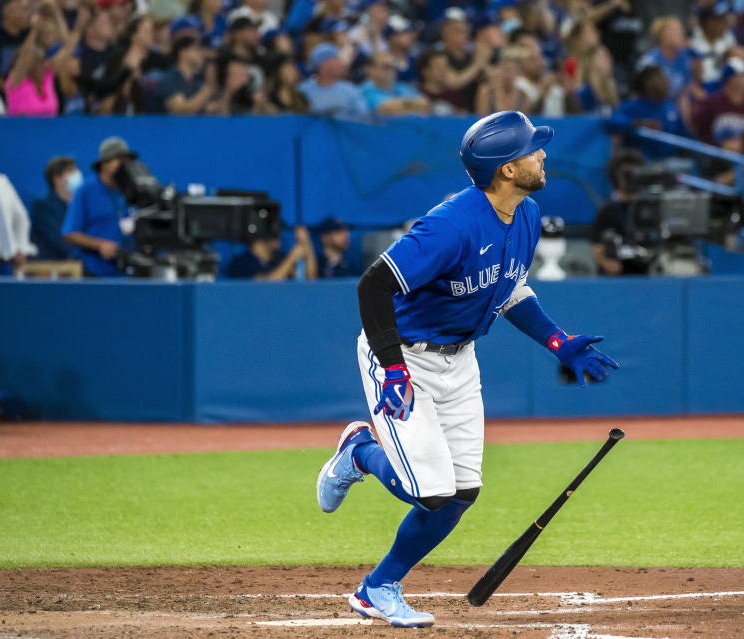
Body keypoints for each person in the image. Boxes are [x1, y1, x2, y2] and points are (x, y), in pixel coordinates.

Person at [315, 110, 618, 628]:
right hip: (402, 357)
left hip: (460, 360)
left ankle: (377, 588)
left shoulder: (526, 213)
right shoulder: (451, 225)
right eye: (531, 148)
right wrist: (392, 370)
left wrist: (557, 341)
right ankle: (360, 453)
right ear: (505, 169)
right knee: (427, 491)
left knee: (460, 496)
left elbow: (509, 288)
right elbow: (373, 286)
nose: (542, 154)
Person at [61, 137, 135, 277]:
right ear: (104, 164)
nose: (124, 165)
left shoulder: (133, 189)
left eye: (126, 160)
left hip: (129, 273)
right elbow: (70, 233)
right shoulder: (85, 190)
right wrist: (100, 245)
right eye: (118, 160)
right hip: (94, 272)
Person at [604, 65, 689, 161]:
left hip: (671, 162)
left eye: (662, 79)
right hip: (642, 163)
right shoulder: (632, 106)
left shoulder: (670, 107)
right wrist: (637, 124)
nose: (661, 84)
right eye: (656, 80)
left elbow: (684, 135)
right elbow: (611, 122)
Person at [590, 149, 654, 275]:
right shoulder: (606, 212)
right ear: (615, 176)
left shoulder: (650, 209)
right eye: (625, 173)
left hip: (647, 275)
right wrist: (606, 263)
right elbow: (597, 247)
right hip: (615, 277)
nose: (630, 178)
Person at [692, 57, 744, 147]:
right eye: (743, 75)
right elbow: (696, 127)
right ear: (730, 79)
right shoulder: (712, 102)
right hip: (711, 153)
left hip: (739, 155)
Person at [298, 43, 369, 118]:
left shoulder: (350, 90)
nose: (340, 63)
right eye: (334, 60)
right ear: (321, 65)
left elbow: (363, 117)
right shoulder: (303, 91)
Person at [31, 156, 81, 260]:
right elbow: (60, 238)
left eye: (76, 169)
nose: (78, 174)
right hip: (47, 269)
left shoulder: (76, 206)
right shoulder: (42, 206)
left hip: (74, 266)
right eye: (71, 171)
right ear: (57, 179)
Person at [224, 225, 317, 279]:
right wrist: (291, 258)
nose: (279, 235)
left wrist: (306, 244)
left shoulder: (279, 258)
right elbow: (267, 287)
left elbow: (310, 278)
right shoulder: (242, 263)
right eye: (275, 232)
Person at [636, 16, 697, 100]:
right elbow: (641, 96)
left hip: (675, 107)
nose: (683, 34)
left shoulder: (684, 58)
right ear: (663, 37)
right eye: (677, 32)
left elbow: (686, 90)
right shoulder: (649, 63)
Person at [154, 34, 216, 114]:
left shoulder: (198, 80)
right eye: (196, 49)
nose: (201, 54)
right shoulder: (169, 79)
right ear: (182, 52)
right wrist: (208, 88)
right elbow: (181, 111)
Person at [359, 51, 429, 116]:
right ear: (371, 70)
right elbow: (388, 109)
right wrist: (412, 105)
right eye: (386, 67)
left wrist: (401, 105)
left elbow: (425, 104)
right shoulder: (365, 89)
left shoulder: (403, 86)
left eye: (393, 67)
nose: (391, 70)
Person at [0, 173, 35, 275]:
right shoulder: (2, 182)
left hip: (6, 262)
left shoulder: (2, 182)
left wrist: (16, 249)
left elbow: (20, 217)